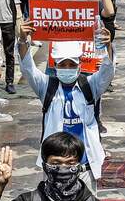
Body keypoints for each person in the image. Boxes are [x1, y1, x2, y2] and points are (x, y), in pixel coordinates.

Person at [17, 29, 115, 189]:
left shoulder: (90, 86)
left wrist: (108, 46)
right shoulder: (46, 86)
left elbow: (107, 71)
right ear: (55, 66)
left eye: (72, 65)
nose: (67, 68)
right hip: (54, 168)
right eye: (63, 65)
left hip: (84, 168)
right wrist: (22, 40)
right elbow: (28, 69)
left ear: (79, 66)